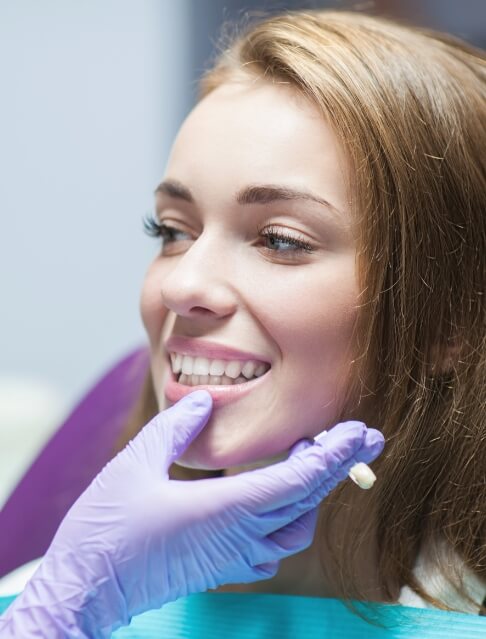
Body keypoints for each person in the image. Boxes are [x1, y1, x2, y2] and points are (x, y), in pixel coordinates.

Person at [1, 7, 485, 637]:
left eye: (280, 240)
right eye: (172, 231)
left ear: (447, 324)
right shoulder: (52, 602)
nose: (180, 285)